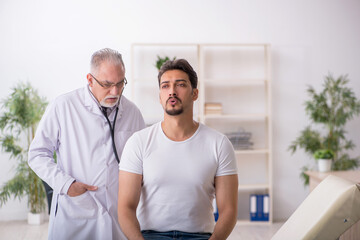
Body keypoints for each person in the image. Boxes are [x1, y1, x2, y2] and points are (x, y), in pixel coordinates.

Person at [28, 48, 145, 240]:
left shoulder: (132, 112)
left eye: (120, 83)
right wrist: (67, 185)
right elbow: (37, 154)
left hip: (119, 215)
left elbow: (142, 161)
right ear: (90, 80)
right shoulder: (63, 106)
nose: (115, 92)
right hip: (76, 211)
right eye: (107, 84)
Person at [118, 59, 238, 240]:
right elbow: (125, 207)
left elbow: (229, 210)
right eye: (165, 86)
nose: (172, 91)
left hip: (200, 237)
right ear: (160, 96)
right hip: (150, 236)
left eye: (180, 85)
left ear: (195, 93)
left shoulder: (219, 144)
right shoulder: (138, 142)